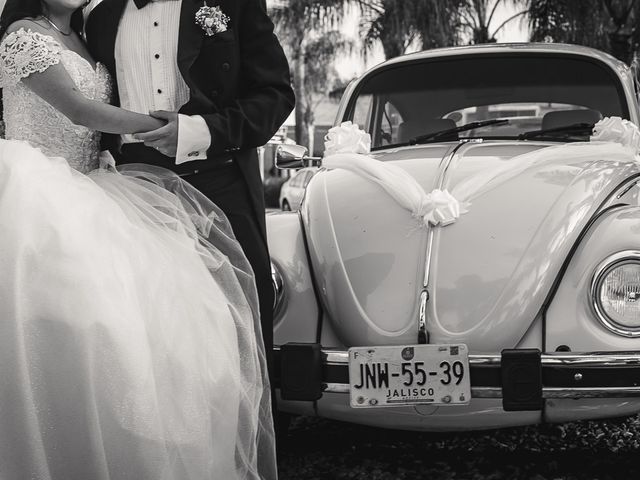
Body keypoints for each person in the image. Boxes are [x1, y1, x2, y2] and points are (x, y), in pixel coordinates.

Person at [0, 0, 282, 478]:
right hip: (95, 189)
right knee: (104, 333)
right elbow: (81, 109)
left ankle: (232, 450)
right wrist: (157, 131)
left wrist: (199, 131)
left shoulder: (87, 31)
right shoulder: (89, 21)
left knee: (222, 326)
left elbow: (274, 93)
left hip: (207, 179)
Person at [85, 0, 296, 401]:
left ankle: (245, 451)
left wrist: (199, 131)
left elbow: (275, 94)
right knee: (152, 327)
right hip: (135, 191)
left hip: (219, 178)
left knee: (241, 319)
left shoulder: (232, 3)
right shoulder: (100, 17)